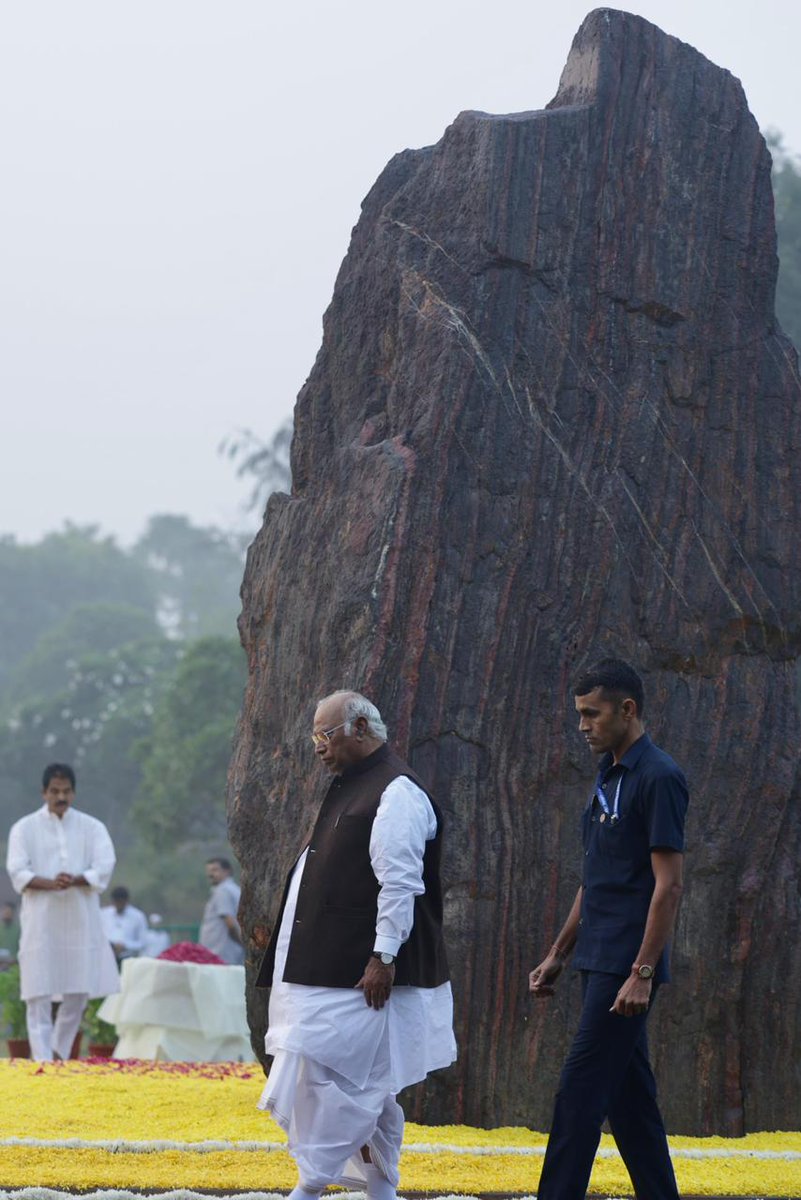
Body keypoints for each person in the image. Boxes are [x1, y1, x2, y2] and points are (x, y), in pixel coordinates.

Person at [255, 690, 456, 1200]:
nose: (318, 747)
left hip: (366, 977)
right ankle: (381, 1190)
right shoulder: (352, 785)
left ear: (361, 729)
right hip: (325, 973)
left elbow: (400, 883)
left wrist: (384, 956)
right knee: (346, 1081)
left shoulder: (396, 793)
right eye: (314, 737)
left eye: (326, 735)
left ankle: (311, 1186)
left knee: (348, 1085)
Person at [528, 658, 689, 1200]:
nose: (582, 725)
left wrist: (642, 972)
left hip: (626, 966)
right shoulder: (607, 774)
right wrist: (558, 952)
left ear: (628, 709)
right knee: (630, 1102)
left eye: (592, 714)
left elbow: (667, 886)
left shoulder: (659, 776)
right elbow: (597, 877)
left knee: (579, 1093)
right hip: (595, 959)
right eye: (579, 714)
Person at [5, 763, 119, 1061]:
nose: (61, 796)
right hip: (41, 923)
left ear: (74, 792)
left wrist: (76, 879)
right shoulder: (24, 828)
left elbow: (104, 866)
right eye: (54, 791)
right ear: (44, 793)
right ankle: (42, 1061)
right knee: (37, 993)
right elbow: (17, 871)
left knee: (79, 992)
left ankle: (57, 1052)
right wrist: (50, 882)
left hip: (81, 922)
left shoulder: (92, 827)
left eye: (66, 791)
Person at [199, 857, 244, 965]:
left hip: (219, 952)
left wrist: (242, 943)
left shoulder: (223, 891)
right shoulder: (234, 889)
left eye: (215, 870)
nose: (210, 874)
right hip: (226, 951)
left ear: (227, 871)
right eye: (209, 871)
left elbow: (230, 922)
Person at [101, 885, 149, 966]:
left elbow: (143, 943)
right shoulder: (104, 914)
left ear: (126, 901)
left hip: (129, 960)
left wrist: (125, 946)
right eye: (116, 901)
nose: (118, 904)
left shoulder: (138, 916)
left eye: (120, 902)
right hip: (106, 959)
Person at [0, 900, 20, 964]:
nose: (6, 914)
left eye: (9, 912)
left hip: (13, 966)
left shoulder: (18, 930)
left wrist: (14, 959)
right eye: (5, 912)